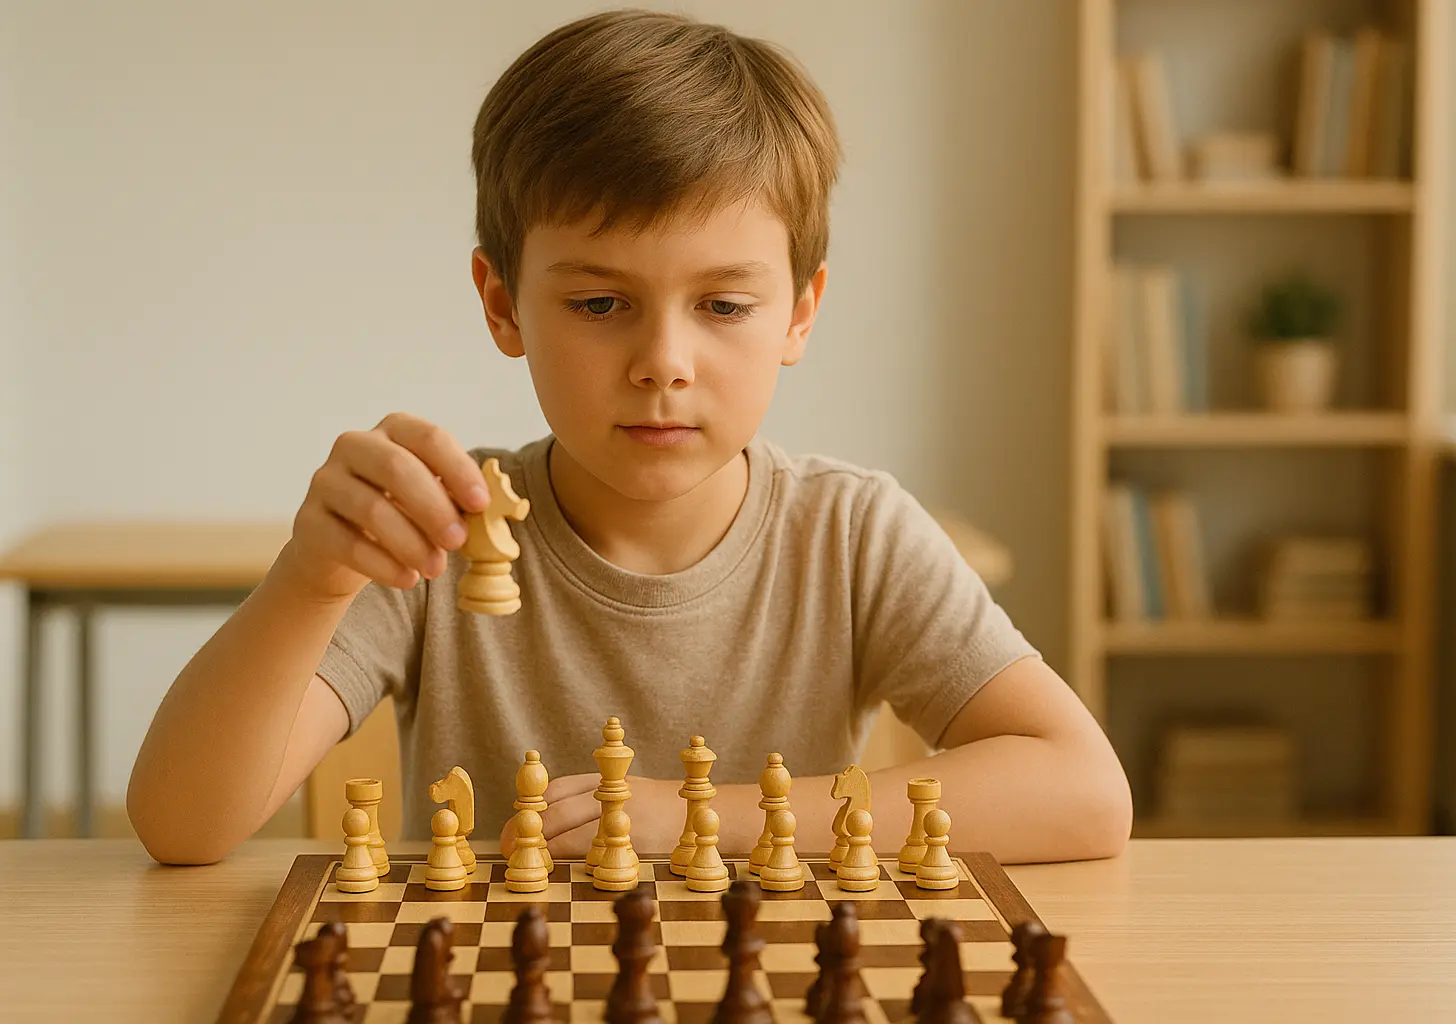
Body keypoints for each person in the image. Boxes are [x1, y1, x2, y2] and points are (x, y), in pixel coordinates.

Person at [127, 8, 1132, 867]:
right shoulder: (440, 535)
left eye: (724, 305)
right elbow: (182, 827)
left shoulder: (853, 533)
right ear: (503, 302)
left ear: (800, 312)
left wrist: (697, 816)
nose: (664, 361)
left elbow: (1086, 793)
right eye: (602, 302)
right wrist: (311, 577)